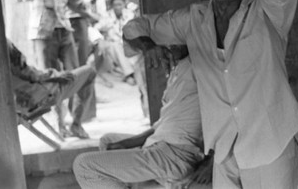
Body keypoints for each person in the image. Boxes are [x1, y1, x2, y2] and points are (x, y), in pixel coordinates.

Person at [122, 0, 298, 188]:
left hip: (270, 144)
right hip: (224, 150)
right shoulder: (194, 19)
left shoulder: (267, 12)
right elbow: (135, 28)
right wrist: (147, 46)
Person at [73, 46, 212, 188]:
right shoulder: (177, 68)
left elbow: (227, 116)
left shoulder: (201, 65)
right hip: (160, 142)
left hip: (175, 154)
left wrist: (210, 163)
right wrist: (128, 143)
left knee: (84, 166)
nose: (165, 50)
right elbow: (162, 123)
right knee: (107, 140)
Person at [15, 0, 96, 137]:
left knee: (75, 75)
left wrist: (89, 13)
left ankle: (76, 122)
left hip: (64, 30)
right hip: (43, 33)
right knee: (51, 80)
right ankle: (58, 126)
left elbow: (72, 1)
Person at [8, 39, 96, 138]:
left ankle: (62, 125)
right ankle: (76, 125)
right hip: (38, 99)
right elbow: (28, 73)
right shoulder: (4, 44)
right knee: (90, 72)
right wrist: (56, 76)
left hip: (16, 105)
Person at [93, 0, 148, 115]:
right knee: (115, 47)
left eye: (120, 4)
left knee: (143, 81)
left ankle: (130, 75)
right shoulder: (107, 16)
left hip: (130, 46)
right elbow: (96, 28)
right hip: (115, 46)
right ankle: (129, 74)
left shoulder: (130, 15)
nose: (118, 7)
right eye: (115, 5)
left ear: (124, 5)